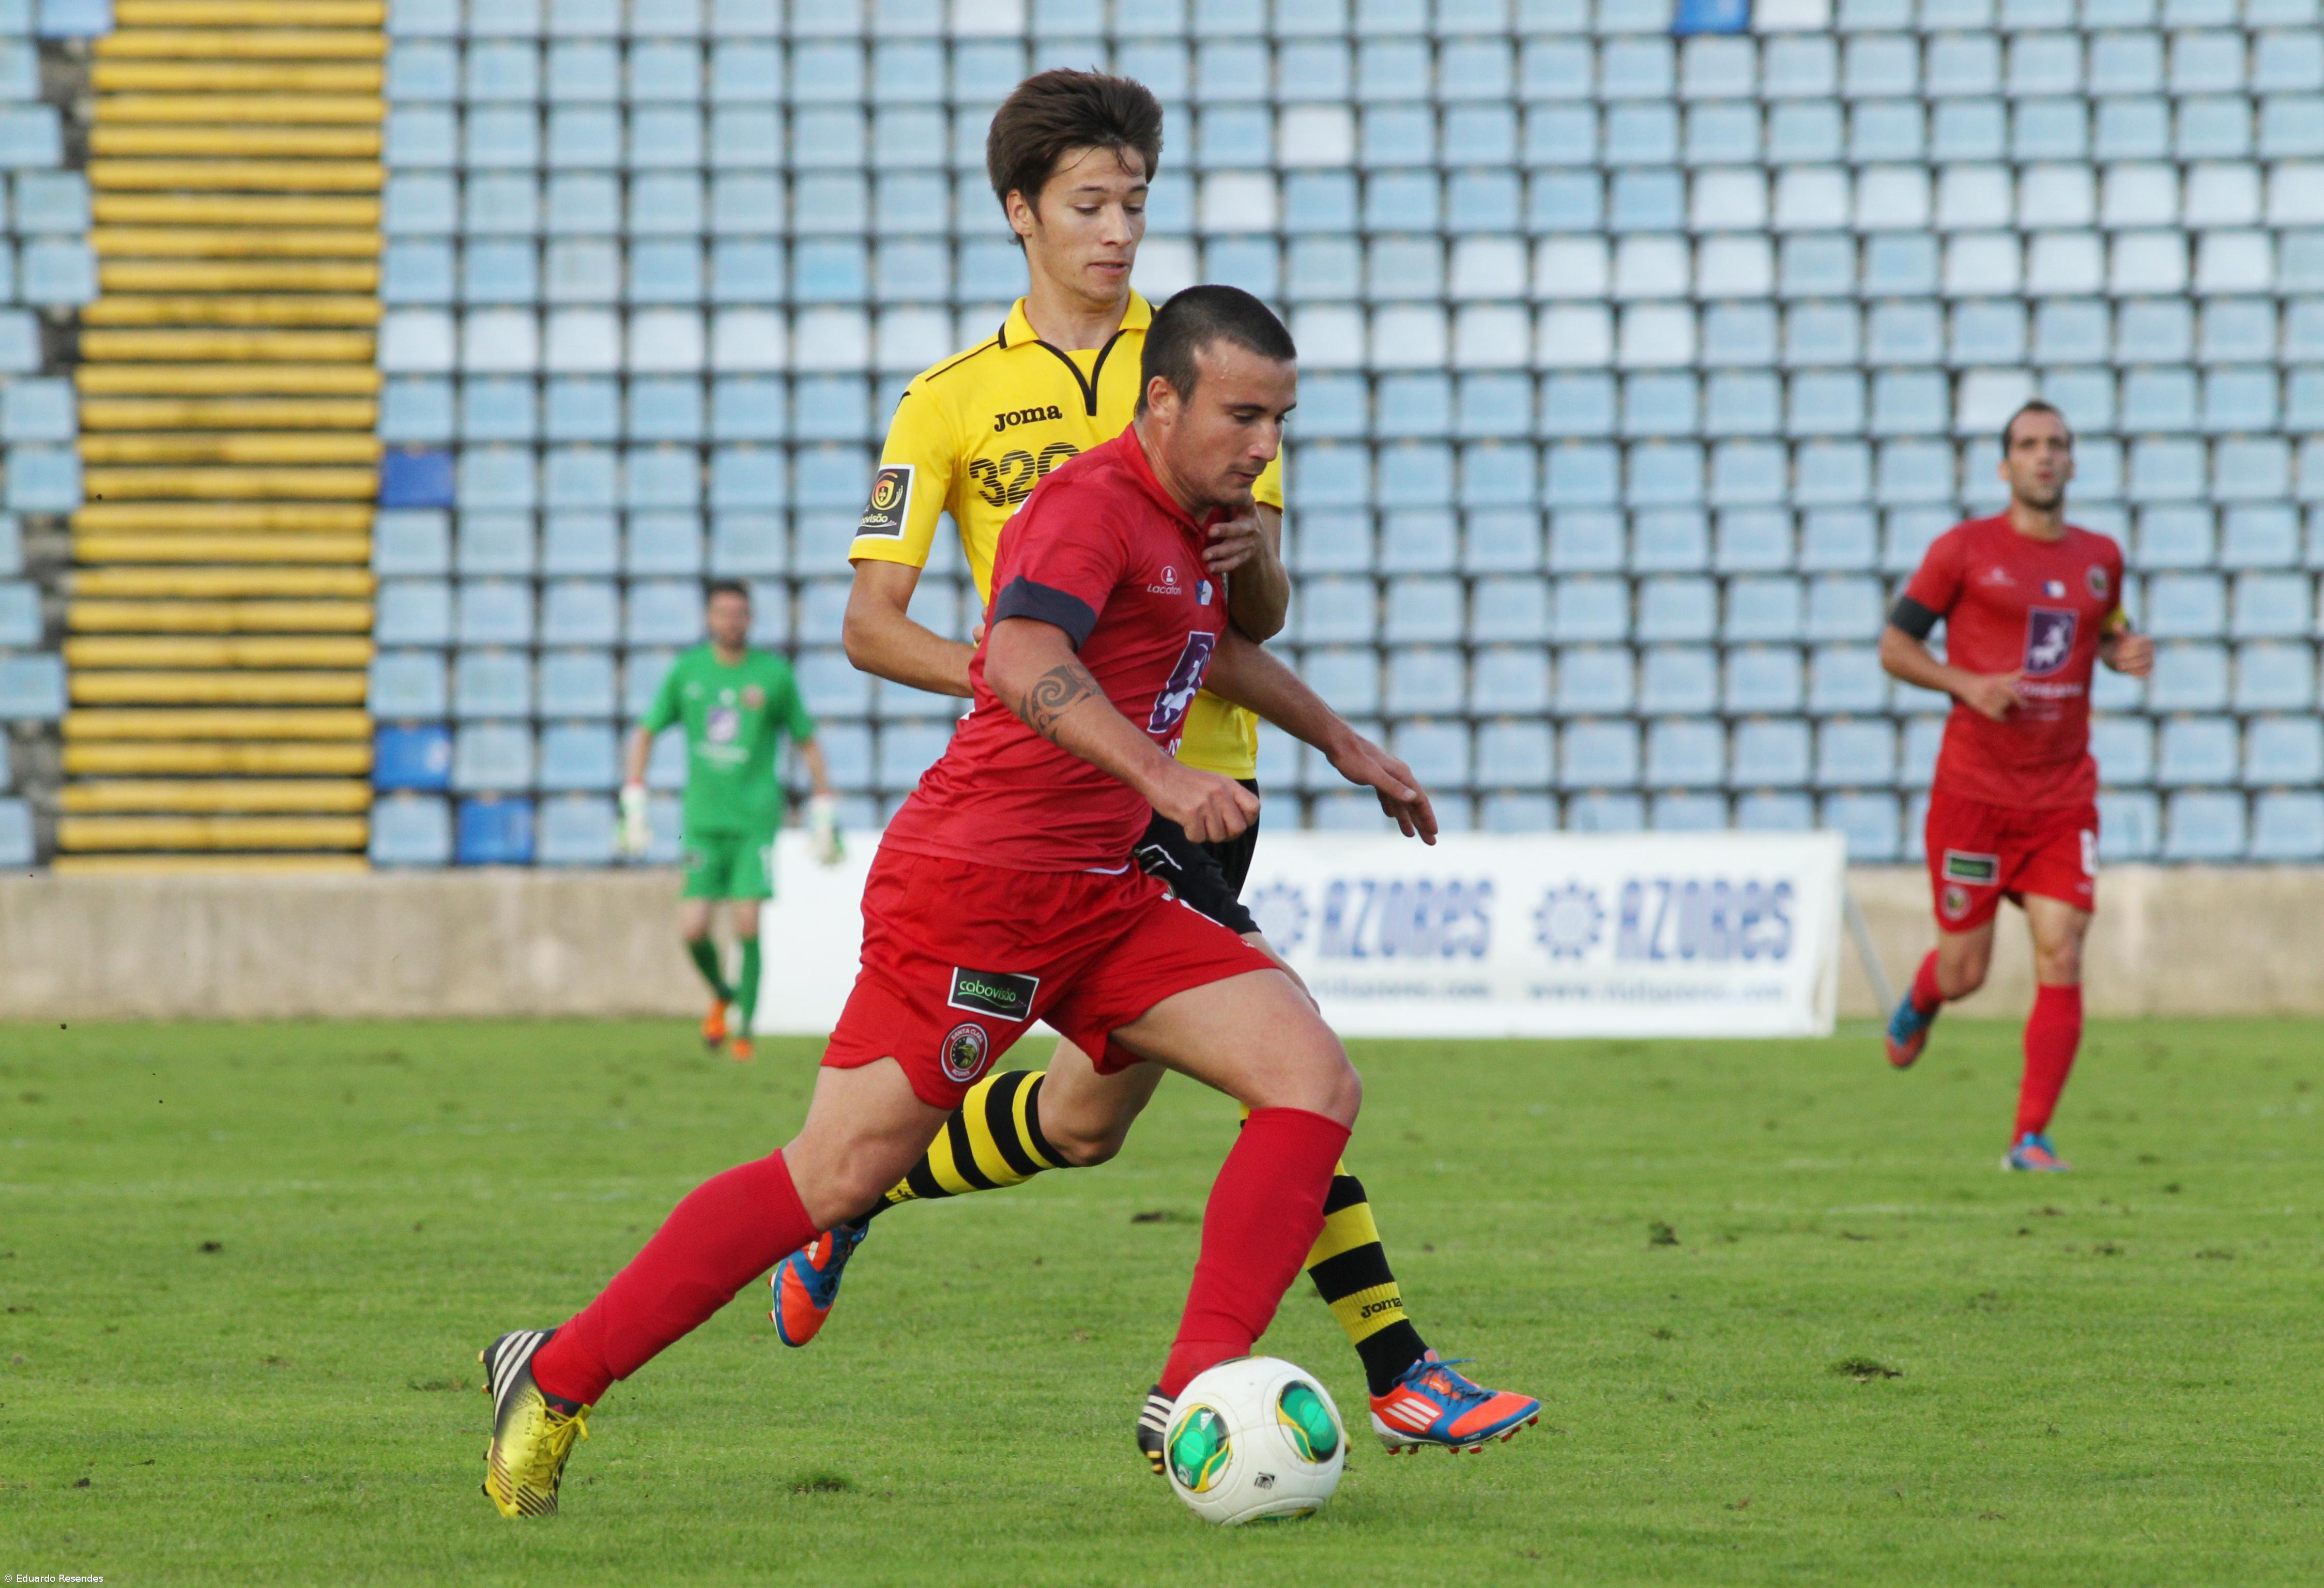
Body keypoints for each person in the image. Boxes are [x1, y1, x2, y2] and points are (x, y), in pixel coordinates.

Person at [478, 287, 1465, 1520]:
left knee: (1308, 1076)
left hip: (1104, 892)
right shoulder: (1088, 507)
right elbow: (1014, 653)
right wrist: (1165, 773)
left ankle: (1187, 1391)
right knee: (835, 1172)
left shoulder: (1197, 523)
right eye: (1244, 414)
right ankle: (556, 1373)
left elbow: (1224, 645)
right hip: (977, 895)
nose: (1266, 445)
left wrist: (1345, 742)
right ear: (1163, 401)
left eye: (1281, 417)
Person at [800, 66, 1537, 1465]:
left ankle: (855, 1199)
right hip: (1080, 798)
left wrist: (1265, 577)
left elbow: (1250, 616)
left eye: (1136, 203)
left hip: (1215, 781)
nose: (1121, 230)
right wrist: (1032, 679)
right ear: (1021, 215)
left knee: (1084, 1127)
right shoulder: (954, 403)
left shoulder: (1206, 370)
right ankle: (1397, 1365)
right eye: (1091, 204)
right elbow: (867, 628)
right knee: (1298, 1069)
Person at [1877, 401, 2154, 1170]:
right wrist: (1965, 684)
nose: (2043, 457)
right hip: (1974, 796)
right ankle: (1926, 998)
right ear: (2005, 466)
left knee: (2061, 950)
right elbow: (1896, 645)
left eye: (2056, 445)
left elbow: (2104, 630)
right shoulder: (1962, 551)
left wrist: (2122, 651)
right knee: (1967, 973)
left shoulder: (2101, 557)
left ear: (2073, 461)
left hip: (2062, 797)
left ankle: (2028, 1137)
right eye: (2028, 446)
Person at [617, 579, 842, 1064]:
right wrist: (634, 796)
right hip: (702, 820)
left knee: (747, 921)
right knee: (694, 928)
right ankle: (725, 993)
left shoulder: (773, 676)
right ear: (709, 619)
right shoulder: (688, 672)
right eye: (723, 612)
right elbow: (645, 731)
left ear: (750, 619)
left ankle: (746, 1034)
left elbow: (806, 740)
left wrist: (824, 806)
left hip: (755, 821)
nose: (731, 621)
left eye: (739, 612)